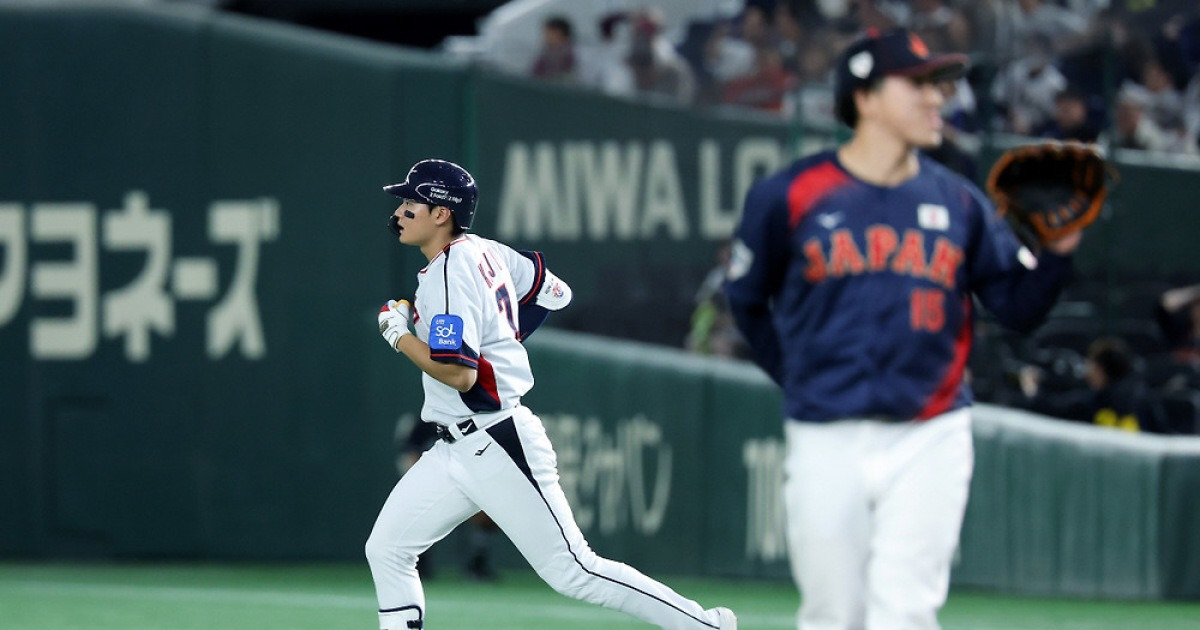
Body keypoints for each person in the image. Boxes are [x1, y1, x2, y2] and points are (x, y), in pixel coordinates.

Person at [724, 28, 1084, 630]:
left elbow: (1017, 308)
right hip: (825, 433)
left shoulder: (960, 202)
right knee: (832, 614)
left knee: (906, 612)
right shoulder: (789, 194)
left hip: (931, 433)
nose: (934, 99)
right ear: (863, 98)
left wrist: (1058, 252)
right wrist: (797, 376)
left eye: (936, 86)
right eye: (915, 85)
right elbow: (747, 301)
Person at [367, 158, 737, 630]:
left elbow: (457, 374)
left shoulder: (448, 273)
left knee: (575, 570)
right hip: (454, 446)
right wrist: (501, 338)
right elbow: (554, 292)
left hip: (495, 439)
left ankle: (704, 625)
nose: (399, 211)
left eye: (410, 202)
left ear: (442, 213)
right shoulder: (485, 251)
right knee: (388, 549)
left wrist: (398, 334)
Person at [1017, 336, 1170, 433]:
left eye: (1090, 364)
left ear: (1099, 370)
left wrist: (1030, 386)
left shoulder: (1092, 402)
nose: (1087, 371)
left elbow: (1049, 409)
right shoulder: (1145, 399)